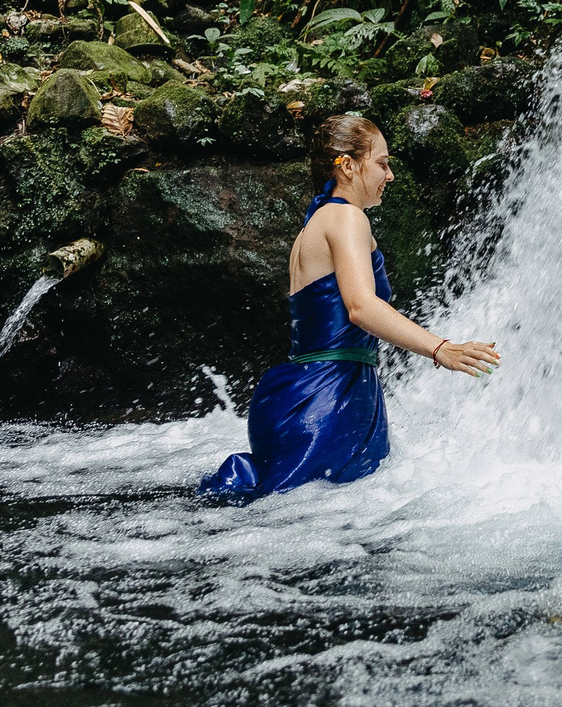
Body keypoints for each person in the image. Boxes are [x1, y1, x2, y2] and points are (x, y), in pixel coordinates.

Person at [199, 114, 499, 502]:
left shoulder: (315, 224)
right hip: (330, 398)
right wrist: (441, 348)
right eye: (382, 163)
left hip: (304, 393)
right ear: (348, 165)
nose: (389, 175)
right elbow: (360, 307)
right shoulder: (346, 217)